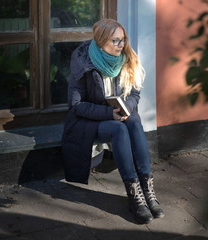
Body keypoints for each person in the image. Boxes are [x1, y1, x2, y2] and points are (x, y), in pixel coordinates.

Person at [61, 19, 164, 224]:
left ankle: (147, 189)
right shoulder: (83, 61)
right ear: (100, 42)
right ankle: (134, 193)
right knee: (118, 129)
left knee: (133, 122)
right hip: (88, 121)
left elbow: (134, 92)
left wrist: (127, 109)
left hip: (120, 113)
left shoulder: (127, 57)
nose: (121, 45)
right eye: (115, 41)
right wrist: (110, 114)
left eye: (123, 39)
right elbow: (76, 106)